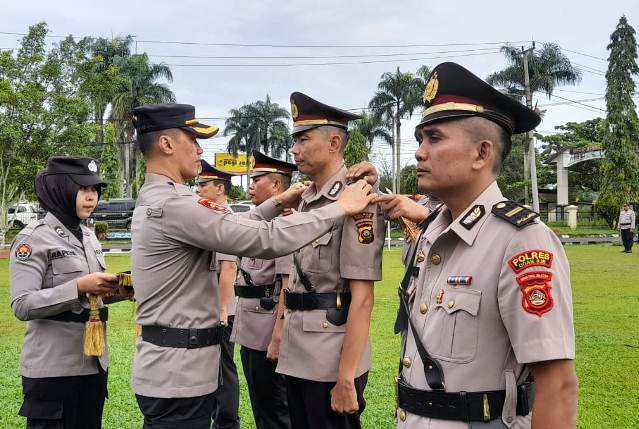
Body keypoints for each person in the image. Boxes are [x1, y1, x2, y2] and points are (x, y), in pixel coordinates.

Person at [129, 103, 376, 428]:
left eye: (304, 139)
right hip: (178, 372)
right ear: (167, 144)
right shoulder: (175, 204)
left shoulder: (168, 199)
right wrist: (339, 208)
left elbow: (234, 224)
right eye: (193, 139)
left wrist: (276, 203)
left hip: (179, 368)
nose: (200, 150)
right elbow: (261, 239)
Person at [390, 62, 577, 429]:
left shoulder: (520, 240)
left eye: (435, 138)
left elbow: (558, 384)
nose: (419, 153)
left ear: (481, 153)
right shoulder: (431, 231)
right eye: (419, 140)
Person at [274, 92, 386, 429]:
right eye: (294, 140)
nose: (294, 149)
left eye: (303, 139)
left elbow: (362, 298)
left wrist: (347, 377)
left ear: (334, 141)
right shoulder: (306, 199)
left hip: (330, 359)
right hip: (297, 352)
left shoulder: (357, 200)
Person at [10, 156, 130, 429]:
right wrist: (77, 287)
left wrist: (121, 289)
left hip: (93, 362)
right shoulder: (34, 238)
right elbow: (22, 305)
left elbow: (93, 295)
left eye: (95, 190)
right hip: (53, 368)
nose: (91, 197)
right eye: (83, 189)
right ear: (61, 189)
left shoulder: (88, 235)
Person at [230, 151, 296, 429]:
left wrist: (278, 338)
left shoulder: (285, 225)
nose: (251, 185)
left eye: (258, 179)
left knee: (275, 412)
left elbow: (286, 284)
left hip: (268, 332)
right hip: (251, 329)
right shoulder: (258, 224)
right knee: (262, 407)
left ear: (277, 187)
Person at [195, 159, 241, 429]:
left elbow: (228, 268)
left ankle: (226, 422)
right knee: (211, 366)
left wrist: (223, 309)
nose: (198, 189)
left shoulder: (224, 219)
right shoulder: (210, 216)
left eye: (203, 184)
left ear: (219, 188)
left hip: (222, 308)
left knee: (223, 368)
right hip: (210, 306)